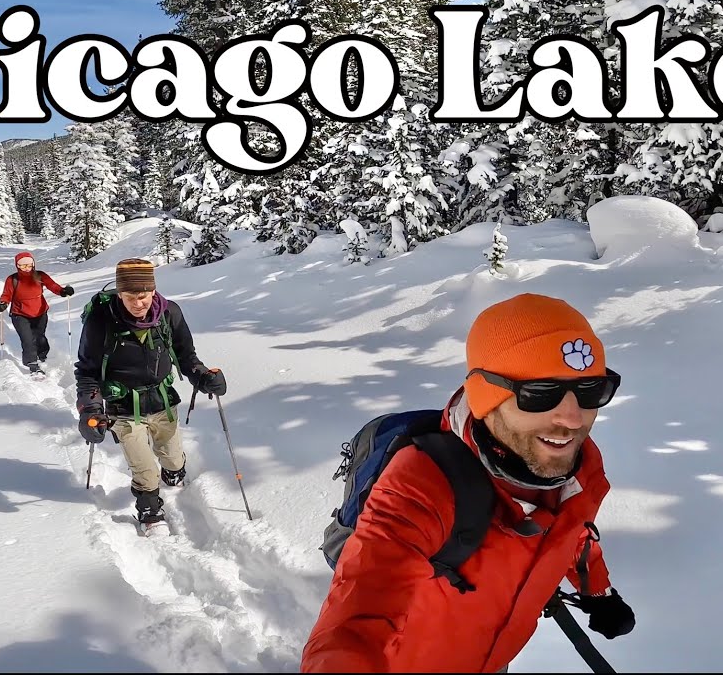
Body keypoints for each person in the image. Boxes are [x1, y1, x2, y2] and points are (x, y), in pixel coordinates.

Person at [301, 294, 636, 673]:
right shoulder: (422, 482)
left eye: (590, 391)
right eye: (539, 394)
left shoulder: (578, 469)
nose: (573, 419)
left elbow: (571, 530)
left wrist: (597, 591)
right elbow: (358, 612)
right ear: (487, 397)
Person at [74, 258, 227, 528]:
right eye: (130, 297)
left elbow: (186, 356)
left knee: (173, 459)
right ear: (120, 294)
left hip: (162, 400)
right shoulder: (101, 320)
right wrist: (90, 409)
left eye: (143, 296)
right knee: (144, 469)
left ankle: (174, 473)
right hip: (123, 405)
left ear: (153, 291)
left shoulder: (169, 313)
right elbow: (87, 371)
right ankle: (150, 510)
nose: (138, 303)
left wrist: (204, 377)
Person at [0, 251, 75, 375]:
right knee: (27, 339)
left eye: (29, 265)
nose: (26, 268)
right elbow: (6, 294)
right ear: (17, 266)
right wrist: (3, 303)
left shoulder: (40, 276)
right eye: (23, 265)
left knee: (39, 336)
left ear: (33, 264)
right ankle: (32, 364)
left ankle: (43, 354)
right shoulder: (12, 279)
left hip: (40, 312)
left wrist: (63, 291)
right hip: (19, 314)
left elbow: (52, 285)